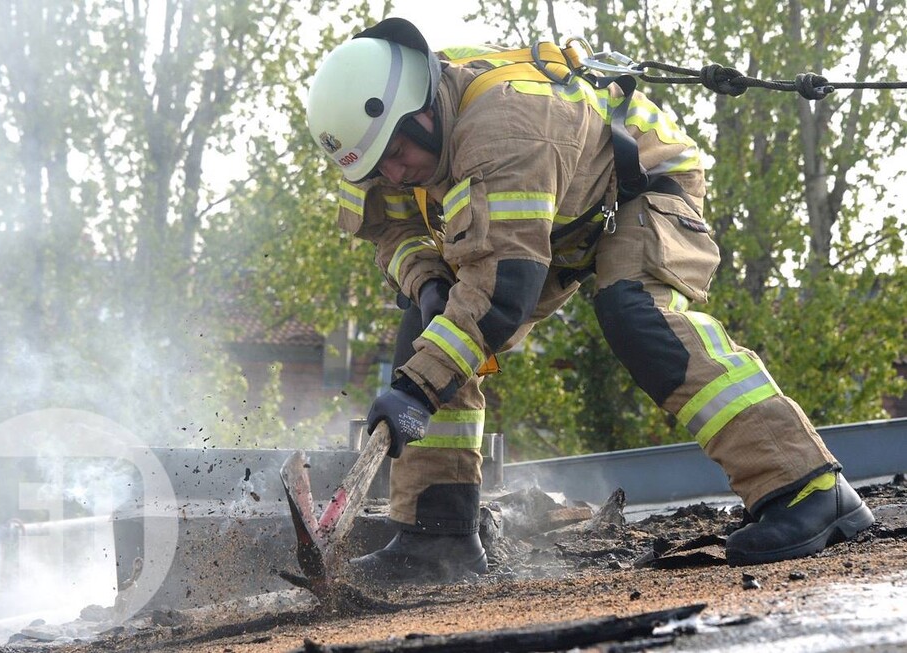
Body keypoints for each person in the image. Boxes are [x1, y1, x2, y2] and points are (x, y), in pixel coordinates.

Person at [304, 17, 875, 583]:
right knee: (431, 327)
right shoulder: (377, 147)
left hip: (636, 187)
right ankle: (437, 539)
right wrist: (428, 283)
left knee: (635, 315)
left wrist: (414, 390)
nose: (396, 174)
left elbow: (500, 295)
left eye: (399, 152)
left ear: (422, 107)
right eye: (379, 167)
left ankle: (807, 488)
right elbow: (392, 232)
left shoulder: (506, 126)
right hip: (558, 215)